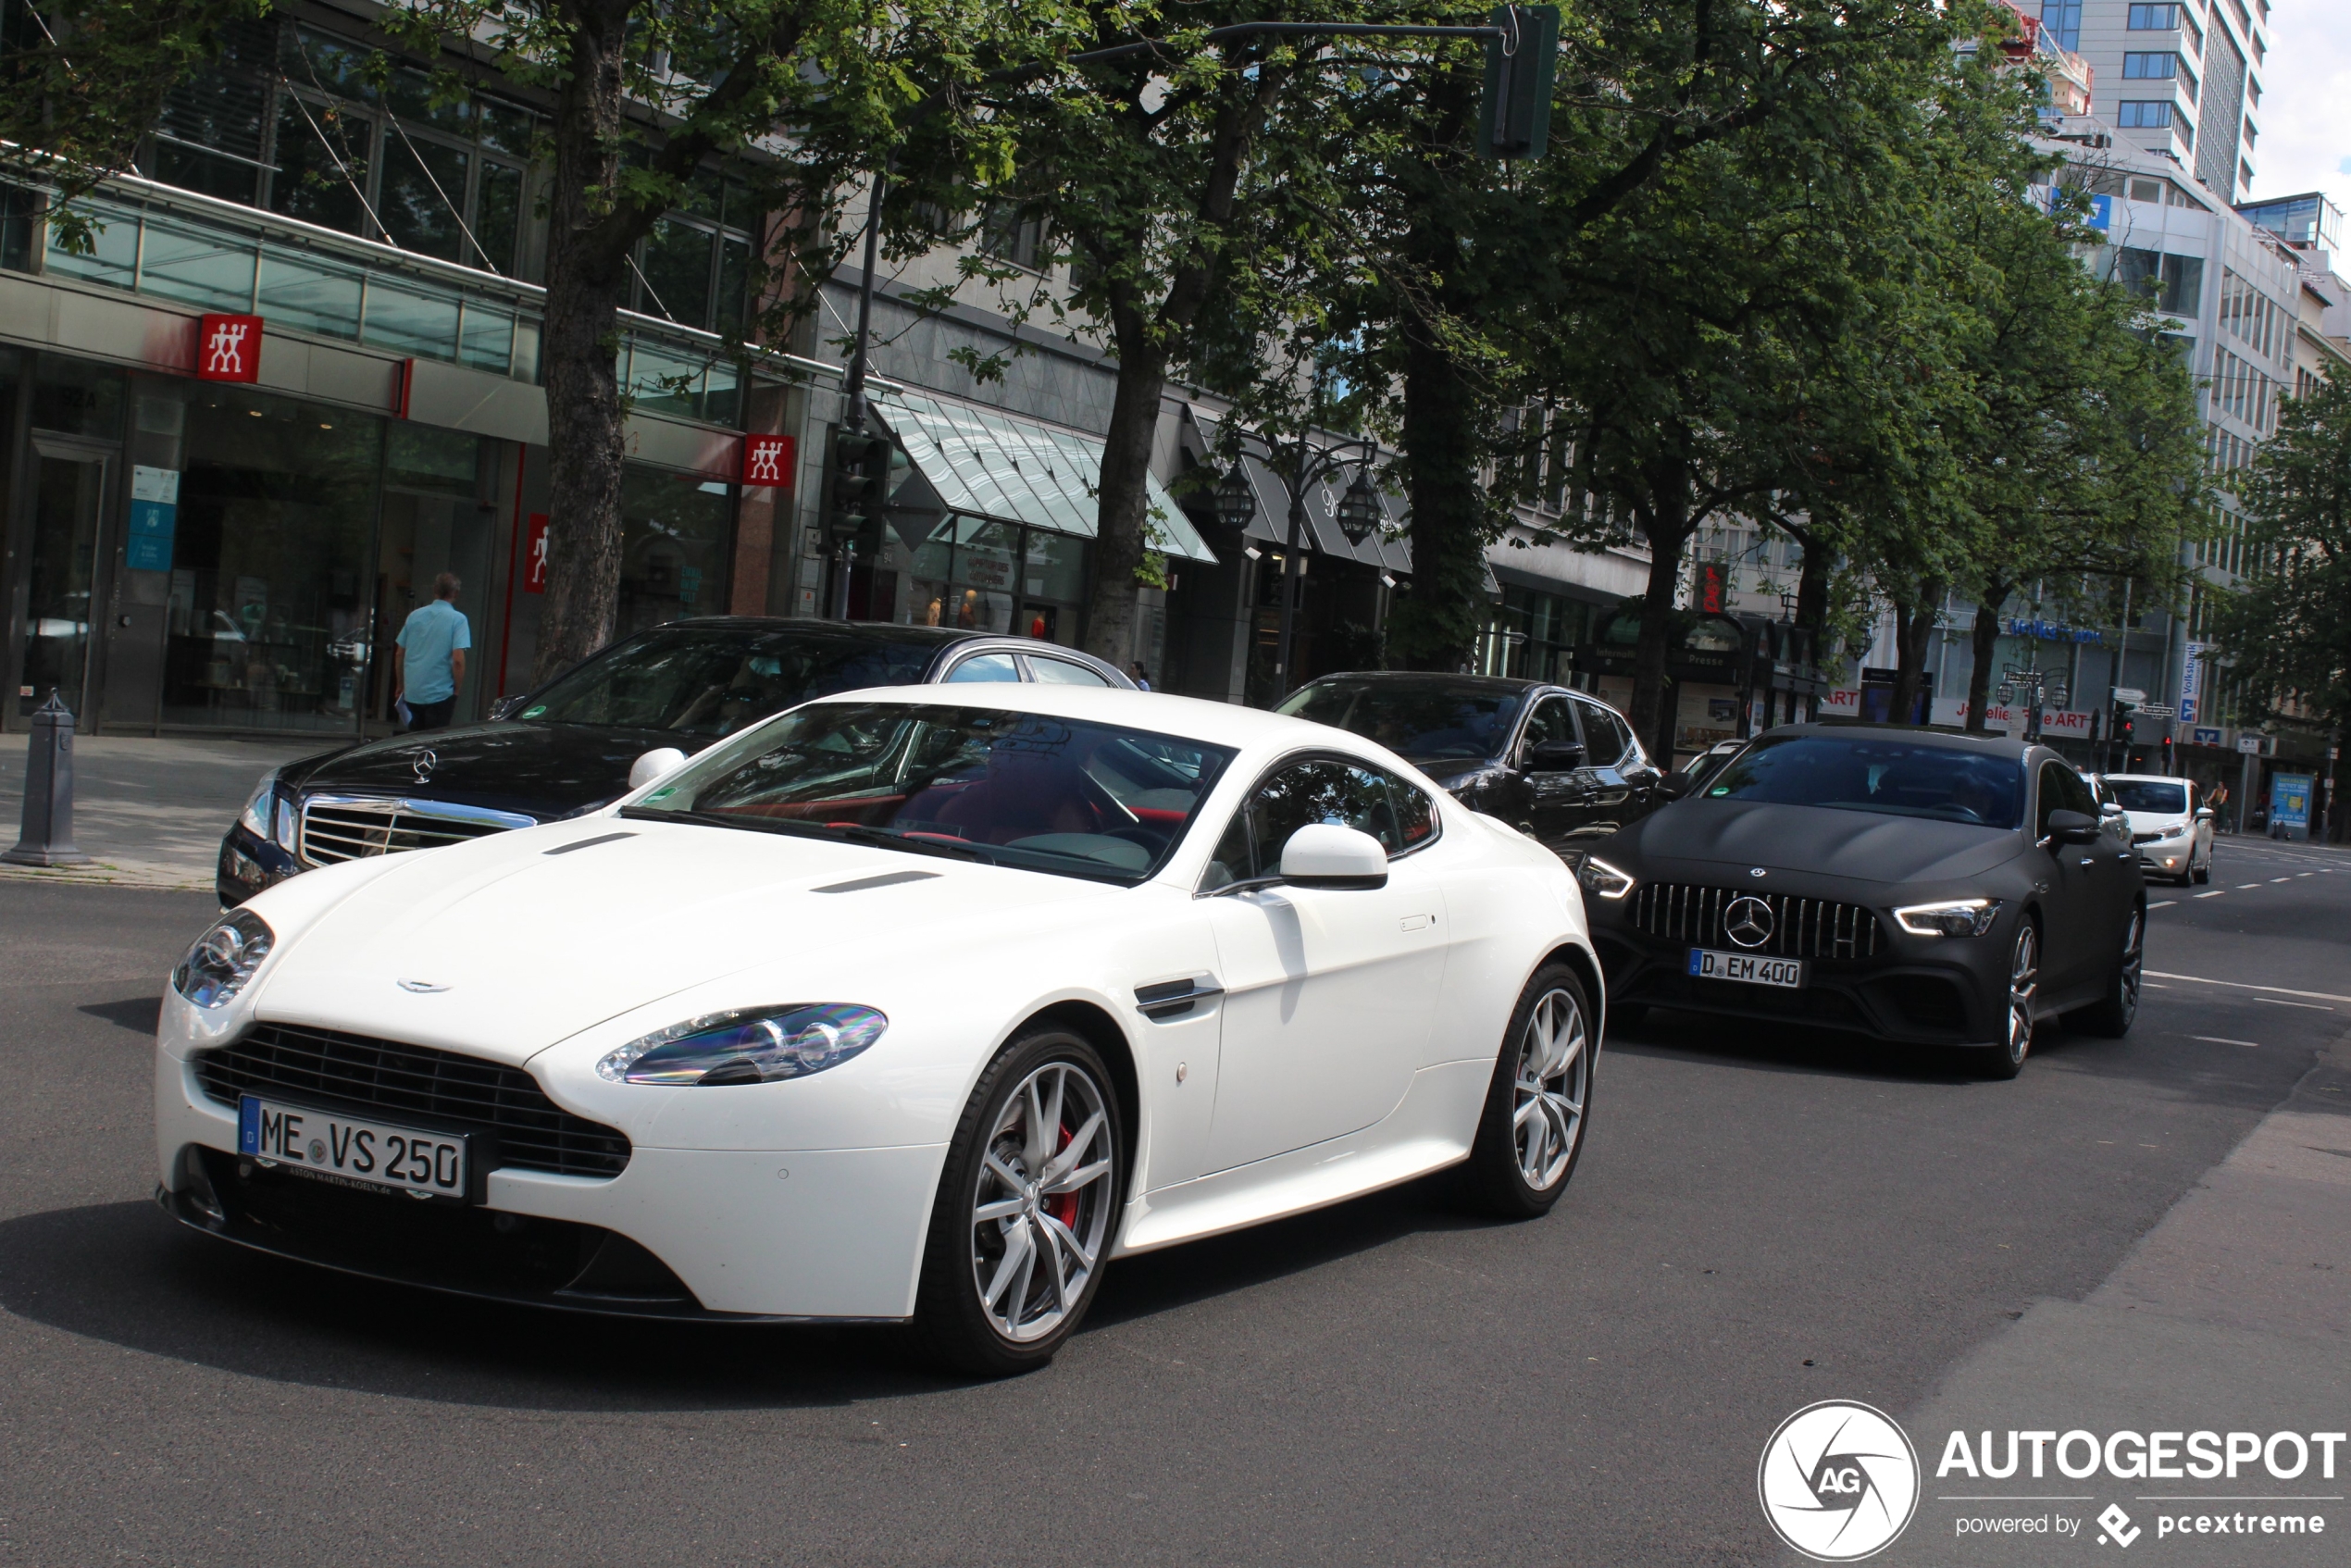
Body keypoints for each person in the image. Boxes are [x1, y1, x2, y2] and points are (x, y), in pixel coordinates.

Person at [393, 573, 470, 731]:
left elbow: (399, 653)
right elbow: (458, 660)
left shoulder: (414, 616)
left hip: (413, 692)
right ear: (456, 593)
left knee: (415, 738)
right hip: (440, 694)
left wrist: (401, 684)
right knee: (434, 741)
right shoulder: (458, 620)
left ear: (434, 590)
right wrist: (457, 689)